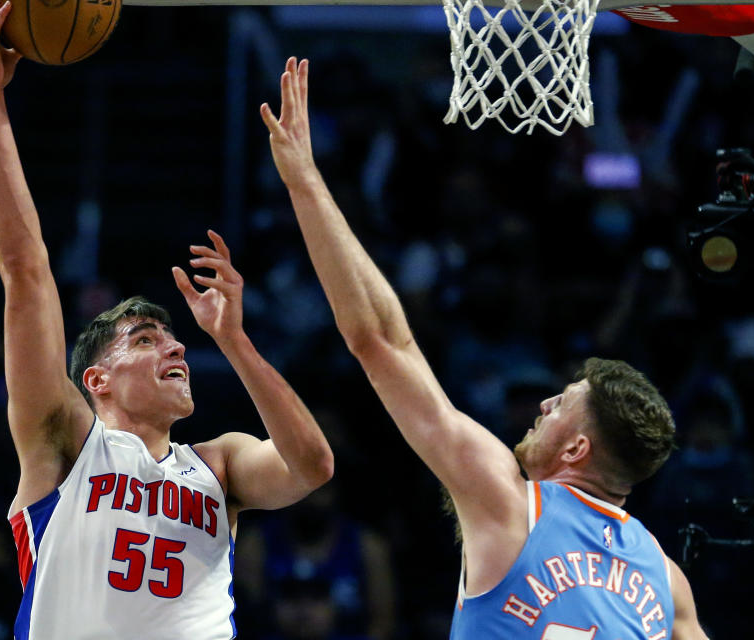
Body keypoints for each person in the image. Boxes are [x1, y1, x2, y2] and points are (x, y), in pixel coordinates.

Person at [260, 56, 710, 639]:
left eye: (561, 402)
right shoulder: (666, 580)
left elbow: (378, 341)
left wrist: (306, 183)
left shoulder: (507, 501)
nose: (544, 405)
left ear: (576, 447)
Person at [0, 5, 334, 639]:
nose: (175, 348)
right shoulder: (64, 442)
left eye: (174, 339)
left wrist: (235, 340)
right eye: (145, 340)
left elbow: (312, 467)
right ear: (97, 380)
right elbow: (26, 275)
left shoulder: (218, 467)